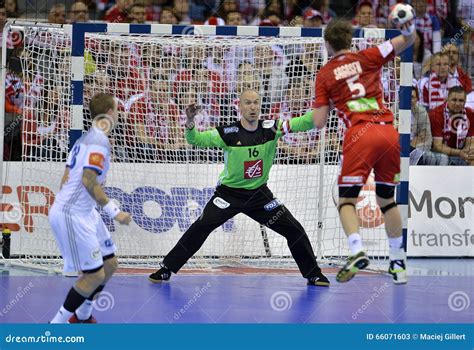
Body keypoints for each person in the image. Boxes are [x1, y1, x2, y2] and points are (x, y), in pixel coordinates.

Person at [149, 89, 329, 287]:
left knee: (295, 230)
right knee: (200, 226)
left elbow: (303, 122)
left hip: (260, 196)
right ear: (240, 106)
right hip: (228, 195)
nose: (252, 107)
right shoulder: (227, 133)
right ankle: (167, 268)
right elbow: (195, 140)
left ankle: (313, 274)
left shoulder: (272, 128)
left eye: (256, 103)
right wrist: (190, 121)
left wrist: (325, 107)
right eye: (248, 103)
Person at [311, 11, 417, 284]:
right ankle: (398, 263)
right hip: (388, 132)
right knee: (387, 199)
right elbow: (409, 39)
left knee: (346, 199)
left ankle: (357, 250)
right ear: (350, 39)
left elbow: (319, 122)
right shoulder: (369, 55)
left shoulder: (324, 74)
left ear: (328, 45)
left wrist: (333, 101)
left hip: (360, 136)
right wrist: (407, 24)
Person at [49, 93, 131, 323]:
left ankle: (83, 315)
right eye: (118, 109)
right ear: (110, 113)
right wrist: (115, 212)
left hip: (85, 212)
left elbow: (66, 176)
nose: (120, 114)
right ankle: (53, 327)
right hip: (72, 214)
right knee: (94, 274)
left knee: (110, 264)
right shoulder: (98, 142)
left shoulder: (85, 139)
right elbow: (87, 180)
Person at [428, 86, 474, 165]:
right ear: (447, 99)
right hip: (440, 154)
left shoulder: (470, 114)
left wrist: (469, 151)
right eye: (454, 100)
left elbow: (470, 141)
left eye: (461, 100)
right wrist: (460, 153)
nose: (457, 103)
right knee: (444, 159)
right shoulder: (436, 114)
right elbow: (438, 146)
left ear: (465, 101)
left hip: (461, 153)